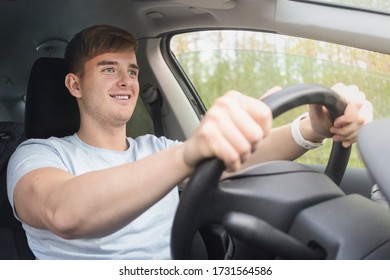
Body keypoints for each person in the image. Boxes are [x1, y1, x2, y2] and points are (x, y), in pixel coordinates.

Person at [7, 25, 373, 260]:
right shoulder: (39, 154)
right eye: (108, 69)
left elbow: (237, 158)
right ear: (74, 85)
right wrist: (189, 152)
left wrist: (309, 130)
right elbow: (61, 212)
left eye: (131, 71)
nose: (127, 81)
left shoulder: (154, 149)